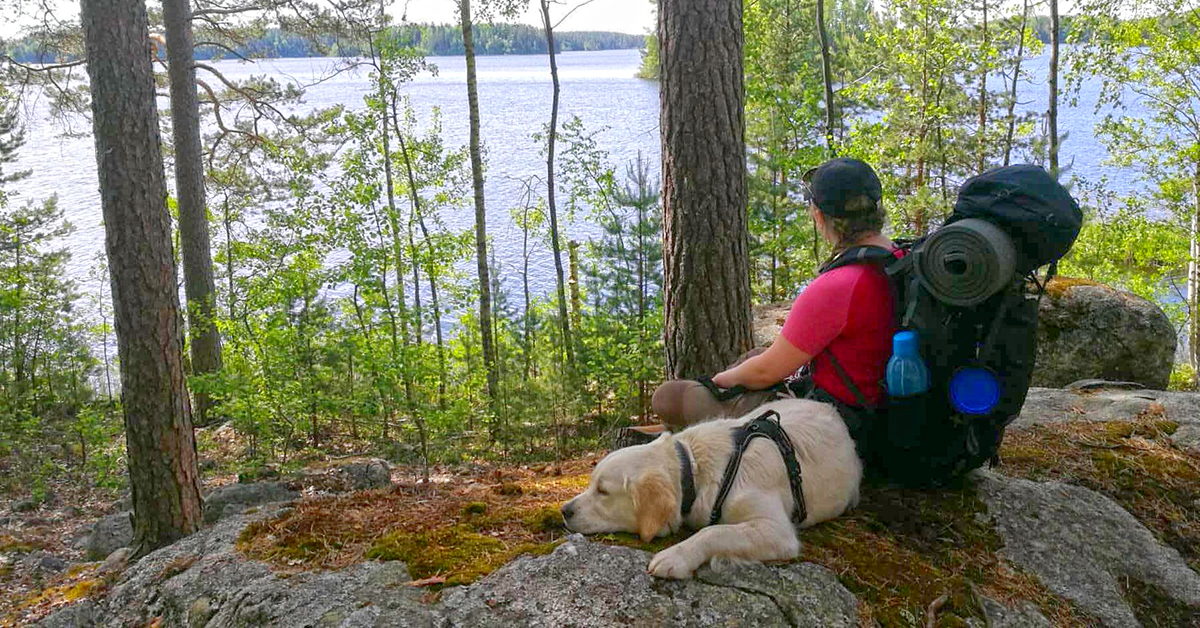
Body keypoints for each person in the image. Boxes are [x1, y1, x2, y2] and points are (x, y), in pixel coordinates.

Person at [623, 157, 899, 450]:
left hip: (834, 426)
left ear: (818, 216)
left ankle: (683, 440)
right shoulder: (895, 258)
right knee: (754, 355)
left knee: (668, 396)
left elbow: (767, 372)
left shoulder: (839, 284)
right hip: (876, 408)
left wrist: (715, 383)